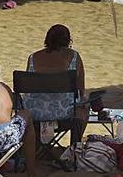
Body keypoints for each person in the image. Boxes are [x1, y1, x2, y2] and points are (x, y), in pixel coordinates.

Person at [24, 24, 87, 152]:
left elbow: (27, 89)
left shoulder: (33, 58)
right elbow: (81, 89)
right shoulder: (73, 56)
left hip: (35, 115)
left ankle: (36, 147)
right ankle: (74, 149)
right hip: (64, 116)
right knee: (84, 107)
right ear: (68, 40)